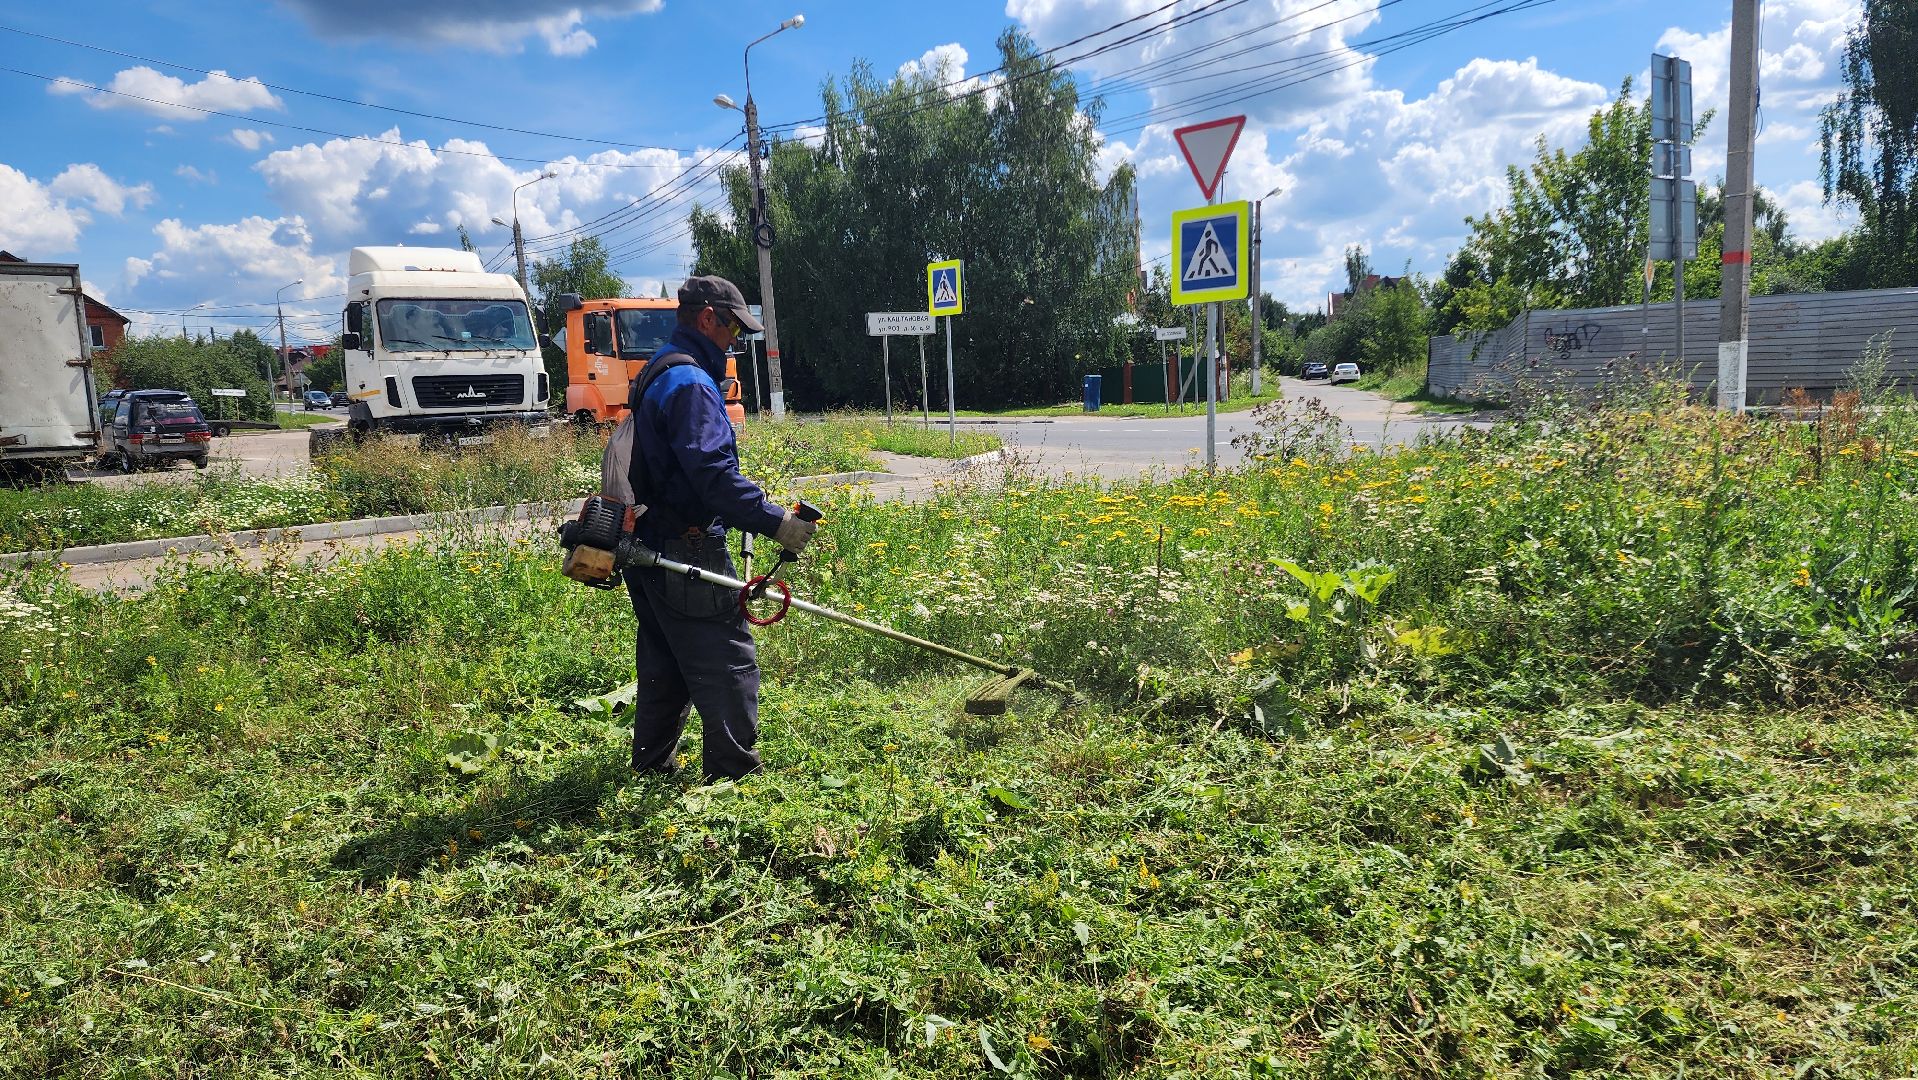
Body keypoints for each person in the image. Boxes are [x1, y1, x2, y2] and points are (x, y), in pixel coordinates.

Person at [614, 275, 817, 781]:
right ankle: (733, 782)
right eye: (731, 330)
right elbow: (712, 478)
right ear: (709, 318)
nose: (732, 342)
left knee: (665, 661)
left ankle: (652, 764)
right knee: (728, 662)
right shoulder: (690, 384)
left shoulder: (658, 369)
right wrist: (777, 522)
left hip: (646, 542)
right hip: (687, 549)